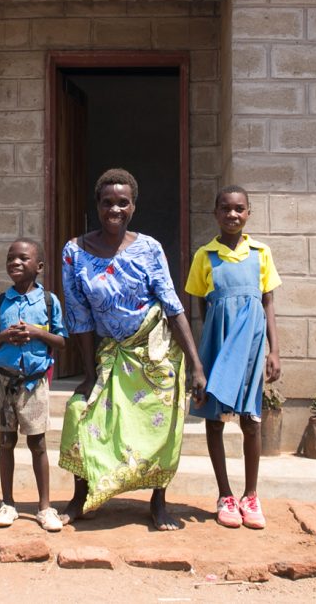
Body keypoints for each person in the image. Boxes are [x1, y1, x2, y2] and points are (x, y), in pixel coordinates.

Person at [58, 168, 207, 531]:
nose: (114, 209)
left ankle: (158, 503)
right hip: (112, 353)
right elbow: (79, 317)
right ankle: (80, 496)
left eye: (122, 203)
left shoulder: (149, 248)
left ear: (133, 207)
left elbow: (173, 306)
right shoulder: (74, 252)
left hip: (157, 354)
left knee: (162, 427)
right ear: (97, 205)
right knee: (80, 414)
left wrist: (196, 365)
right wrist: (90, 375)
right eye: (107, 202)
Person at [185, 185, 281, 529]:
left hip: (253, 343)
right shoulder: (204, 255)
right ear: (215, 213)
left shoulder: (261, 253)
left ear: (248, 213)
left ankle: (251, 495)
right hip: (218, 340)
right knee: (214, 418)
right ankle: (225, 493)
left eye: (239, 209)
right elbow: (200, 301)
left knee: (251, 419)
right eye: (225, 209)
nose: (232, 215)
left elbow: (268, 302)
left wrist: (275, 350)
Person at [0, 238, 68, 532]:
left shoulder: (48, 302)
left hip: (34, 384)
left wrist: (35, 332)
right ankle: (7, 503)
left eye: (23, 258)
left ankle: (45, 507)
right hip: (4, 381)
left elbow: (61, 340)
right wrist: (6, 335)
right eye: (10, 258)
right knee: (6, 442)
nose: (15, 263)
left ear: (39, 267)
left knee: (38, 443)